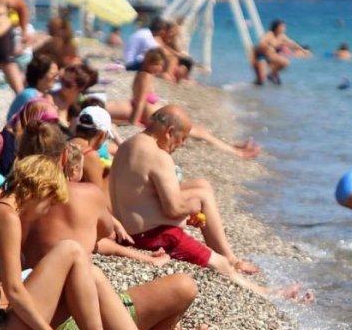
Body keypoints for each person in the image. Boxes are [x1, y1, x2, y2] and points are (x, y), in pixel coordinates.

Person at [17, 121, 262, 330]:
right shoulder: (86, 195)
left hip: (31, 313)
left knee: (101, 284)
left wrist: (139, 256)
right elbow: (102, 237)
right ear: (66, 155)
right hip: (78, 320)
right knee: (183, 286)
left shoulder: (10, 200)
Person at [110, 105, 307, 301]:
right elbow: (173, 209)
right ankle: (269, 294)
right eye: (182, 139)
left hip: (127, 231)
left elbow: (147, 194)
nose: (181, 145)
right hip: (151, 237)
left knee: (201, 187)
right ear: (170, 132)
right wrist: (193, 207)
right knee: (221, 265)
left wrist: (191, 207)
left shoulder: (130, 144)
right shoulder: (159, 156)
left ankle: (232, 258)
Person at [0, 152, 124, 330]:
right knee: (71, 249)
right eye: (50, 204)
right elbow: (14, 290)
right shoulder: (6, 217)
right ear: (40, 191)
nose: (46, 212)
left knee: (86, 274)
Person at [107, 48, 259, 159]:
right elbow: (140, 102)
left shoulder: (144, 75)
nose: (161, 68)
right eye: (158, 65)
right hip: (156, 119)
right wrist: (134, 123)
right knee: (202, 134)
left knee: (201, 130)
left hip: (156, 117)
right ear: (151, 63)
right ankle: (237, 153)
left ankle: (233, 146)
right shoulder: (145, 77)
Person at [6, 53, 60, 123]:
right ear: (41, 74)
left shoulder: (42, 95)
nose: (56, 78)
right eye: (53, 74)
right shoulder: (29, 95)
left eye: (57, 74)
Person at [251, 19, 307, 85]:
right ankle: (251, 89)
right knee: (261, 80)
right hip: (260, 57)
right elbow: (261, 44)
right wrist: (269, 46)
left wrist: (303, 50)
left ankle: (271, 75)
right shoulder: (269, 34)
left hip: (270, 57)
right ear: (276, 27)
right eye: (282, 27)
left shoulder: (282, 36)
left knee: (285, 63)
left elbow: (292, 43)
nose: (284, 28)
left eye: (284, 27)